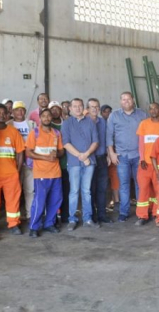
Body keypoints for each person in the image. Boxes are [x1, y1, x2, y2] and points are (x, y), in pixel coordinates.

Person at [107, 92, 148, 222]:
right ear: (120, 102)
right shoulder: (114, 116)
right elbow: (109, 136)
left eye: (128, 99)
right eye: (123, 99)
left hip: (138, 156)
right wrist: (111, 153)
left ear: (133, 100)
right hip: (121, 156)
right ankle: (124, 212)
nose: (126, 101)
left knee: (139, 184)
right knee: (124, 185)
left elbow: (147, 135)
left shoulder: (142, 114)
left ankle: (140, 212)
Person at [62, 98, 100, 230]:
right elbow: (66, 143)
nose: (77, 108)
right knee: (74, 191)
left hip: (89, 162)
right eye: (75, 106)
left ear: (84, 108)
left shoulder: (90, 122)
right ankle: (72, 219)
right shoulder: (66, 124)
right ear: (70, 109)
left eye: (80, 106)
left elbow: (95, 142)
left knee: (86, 191)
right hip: (74, 163)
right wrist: (81, 156)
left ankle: (87, 219)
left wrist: (87, 154)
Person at [26, 109, 65, 238]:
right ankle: (34, 226)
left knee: (55, 200)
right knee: (40, 201)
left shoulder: (56, 133)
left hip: (55, 173)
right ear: (40, 118)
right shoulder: (35, 133)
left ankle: (49, 224)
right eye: (44, 116)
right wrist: (46, 158)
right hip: (41, 173)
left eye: (48, 116)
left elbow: (61, 152)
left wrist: (57, 154)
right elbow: (29, 152)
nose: (47, 118)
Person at [0, 103, 26, 235]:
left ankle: (14, 223)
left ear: (8, 115)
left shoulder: (13, 131)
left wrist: (18, 170)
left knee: (13, 200)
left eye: (4, 113)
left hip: (11, 174)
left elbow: (21, 152)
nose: (1, 115)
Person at [134, 102, 159, 226]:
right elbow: (141, 144)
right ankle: (142, 215)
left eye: (156, 108)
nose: (154, 110)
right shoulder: (144, 124)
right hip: (145, 163)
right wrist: (141, 159)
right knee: (144, 189)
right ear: (149, 111)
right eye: (151, 109)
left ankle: (156, 213)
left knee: (158, 190)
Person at [87, 98, 111, 224]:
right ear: (88, 109)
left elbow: (107, 139)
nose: (95, 109)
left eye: (97, 106)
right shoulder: (84, 122)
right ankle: (91, 216)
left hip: (102, 159)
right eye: (92, 107)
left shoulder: (103, 122)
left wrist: (108, 154)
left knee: (102, 188)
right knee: (90, 189)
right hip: (89, 160)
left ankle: (102, 214)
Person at [11, 101, 35, 220]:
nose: (20, 112)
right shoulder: (8, 125)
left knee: (29, 189)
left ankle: (30, 214)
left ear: (25, 111)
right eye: (17, 110)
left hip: (29, 163)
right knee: (14, 191)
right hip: (12, 163)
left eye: (22, 110)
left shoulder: (32, 124)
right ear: (12, 112)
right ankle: (16, 216)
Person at [48, 101, 69, 222]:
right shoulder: (47, 126)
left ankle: (65, 216)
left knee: (65, 192)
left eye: (57, 109)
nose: (55, 111)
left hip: (65, 165)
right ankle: (53, 218)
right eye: (52, 109)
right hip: (51, 167)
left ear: (61, 111)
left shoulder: (66, 124)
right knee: (53, 194)